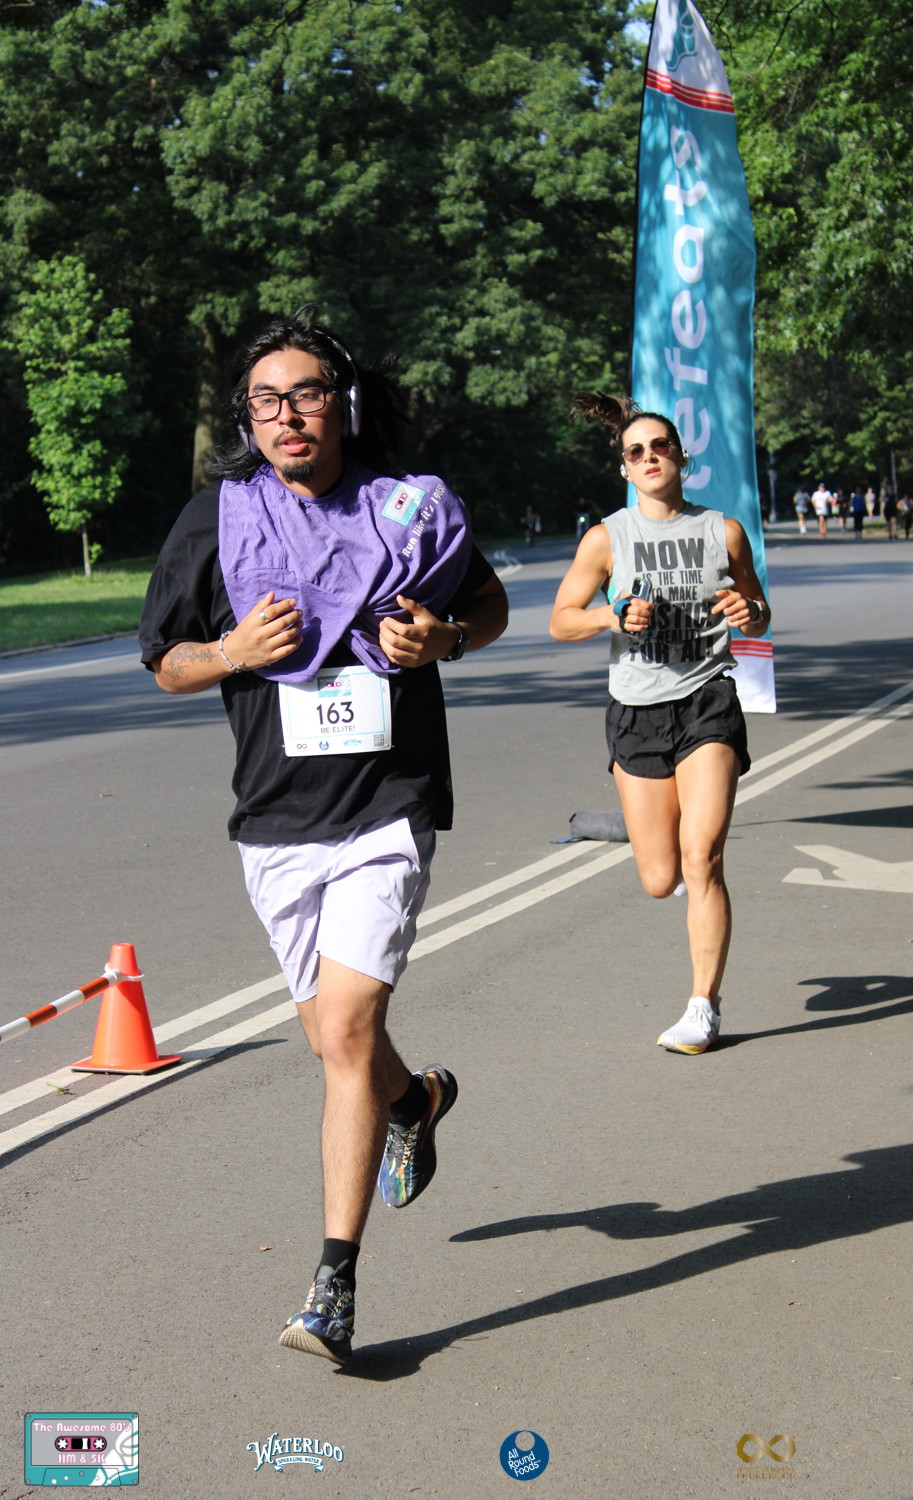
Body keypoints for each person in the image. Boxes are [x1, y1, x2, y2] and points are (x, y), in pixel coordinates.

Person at [138, 308, 508, 1367]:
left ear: (339, 405)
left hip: (389, 801)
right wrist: (232, 651)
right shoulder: (218, 519)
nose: (286, 416)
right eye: (265, 401)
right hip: (276, 817)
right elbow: (165, 662)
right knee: (335, 1042)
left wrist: (444, 637)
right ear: (247, 420)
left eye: (304, 394)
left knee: (343, 1030)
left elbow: (486, 608)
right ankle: (414, 1099)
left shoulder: (408, 510)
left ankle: (333, 1289)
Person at [549, 393, 770, 1056]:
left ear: (681, 456)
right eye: (635, 452)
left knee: (703, 857)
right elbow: (562, 620)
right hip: (637, 710)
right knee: (658, 878)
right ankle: (655, 830)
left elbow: (758, 610)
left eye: (660, 447)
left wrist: (749, 611)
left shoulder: (723, 532)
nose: (649, 458)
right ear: (624, 467)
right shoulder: (606, 538)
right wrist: (609, 616)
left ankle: (704, 1006)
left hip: (707, 700)